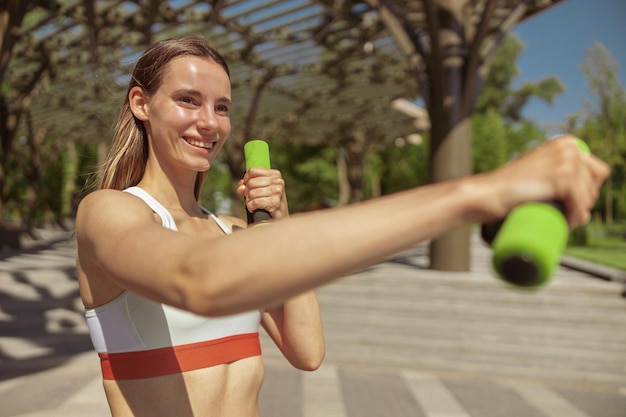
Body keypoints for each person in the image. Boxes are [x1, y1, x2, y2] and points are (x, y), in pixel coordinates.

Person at [75, 34, 609, 417]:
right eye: (188, 101)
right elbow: (198, 281)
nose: (209, 123)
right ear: (142, 103)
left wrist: (279, 223)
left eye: (222, 106)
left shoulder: (233, 234)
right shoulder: (109, 212)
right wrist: (480, 193)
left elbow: (307, 352)